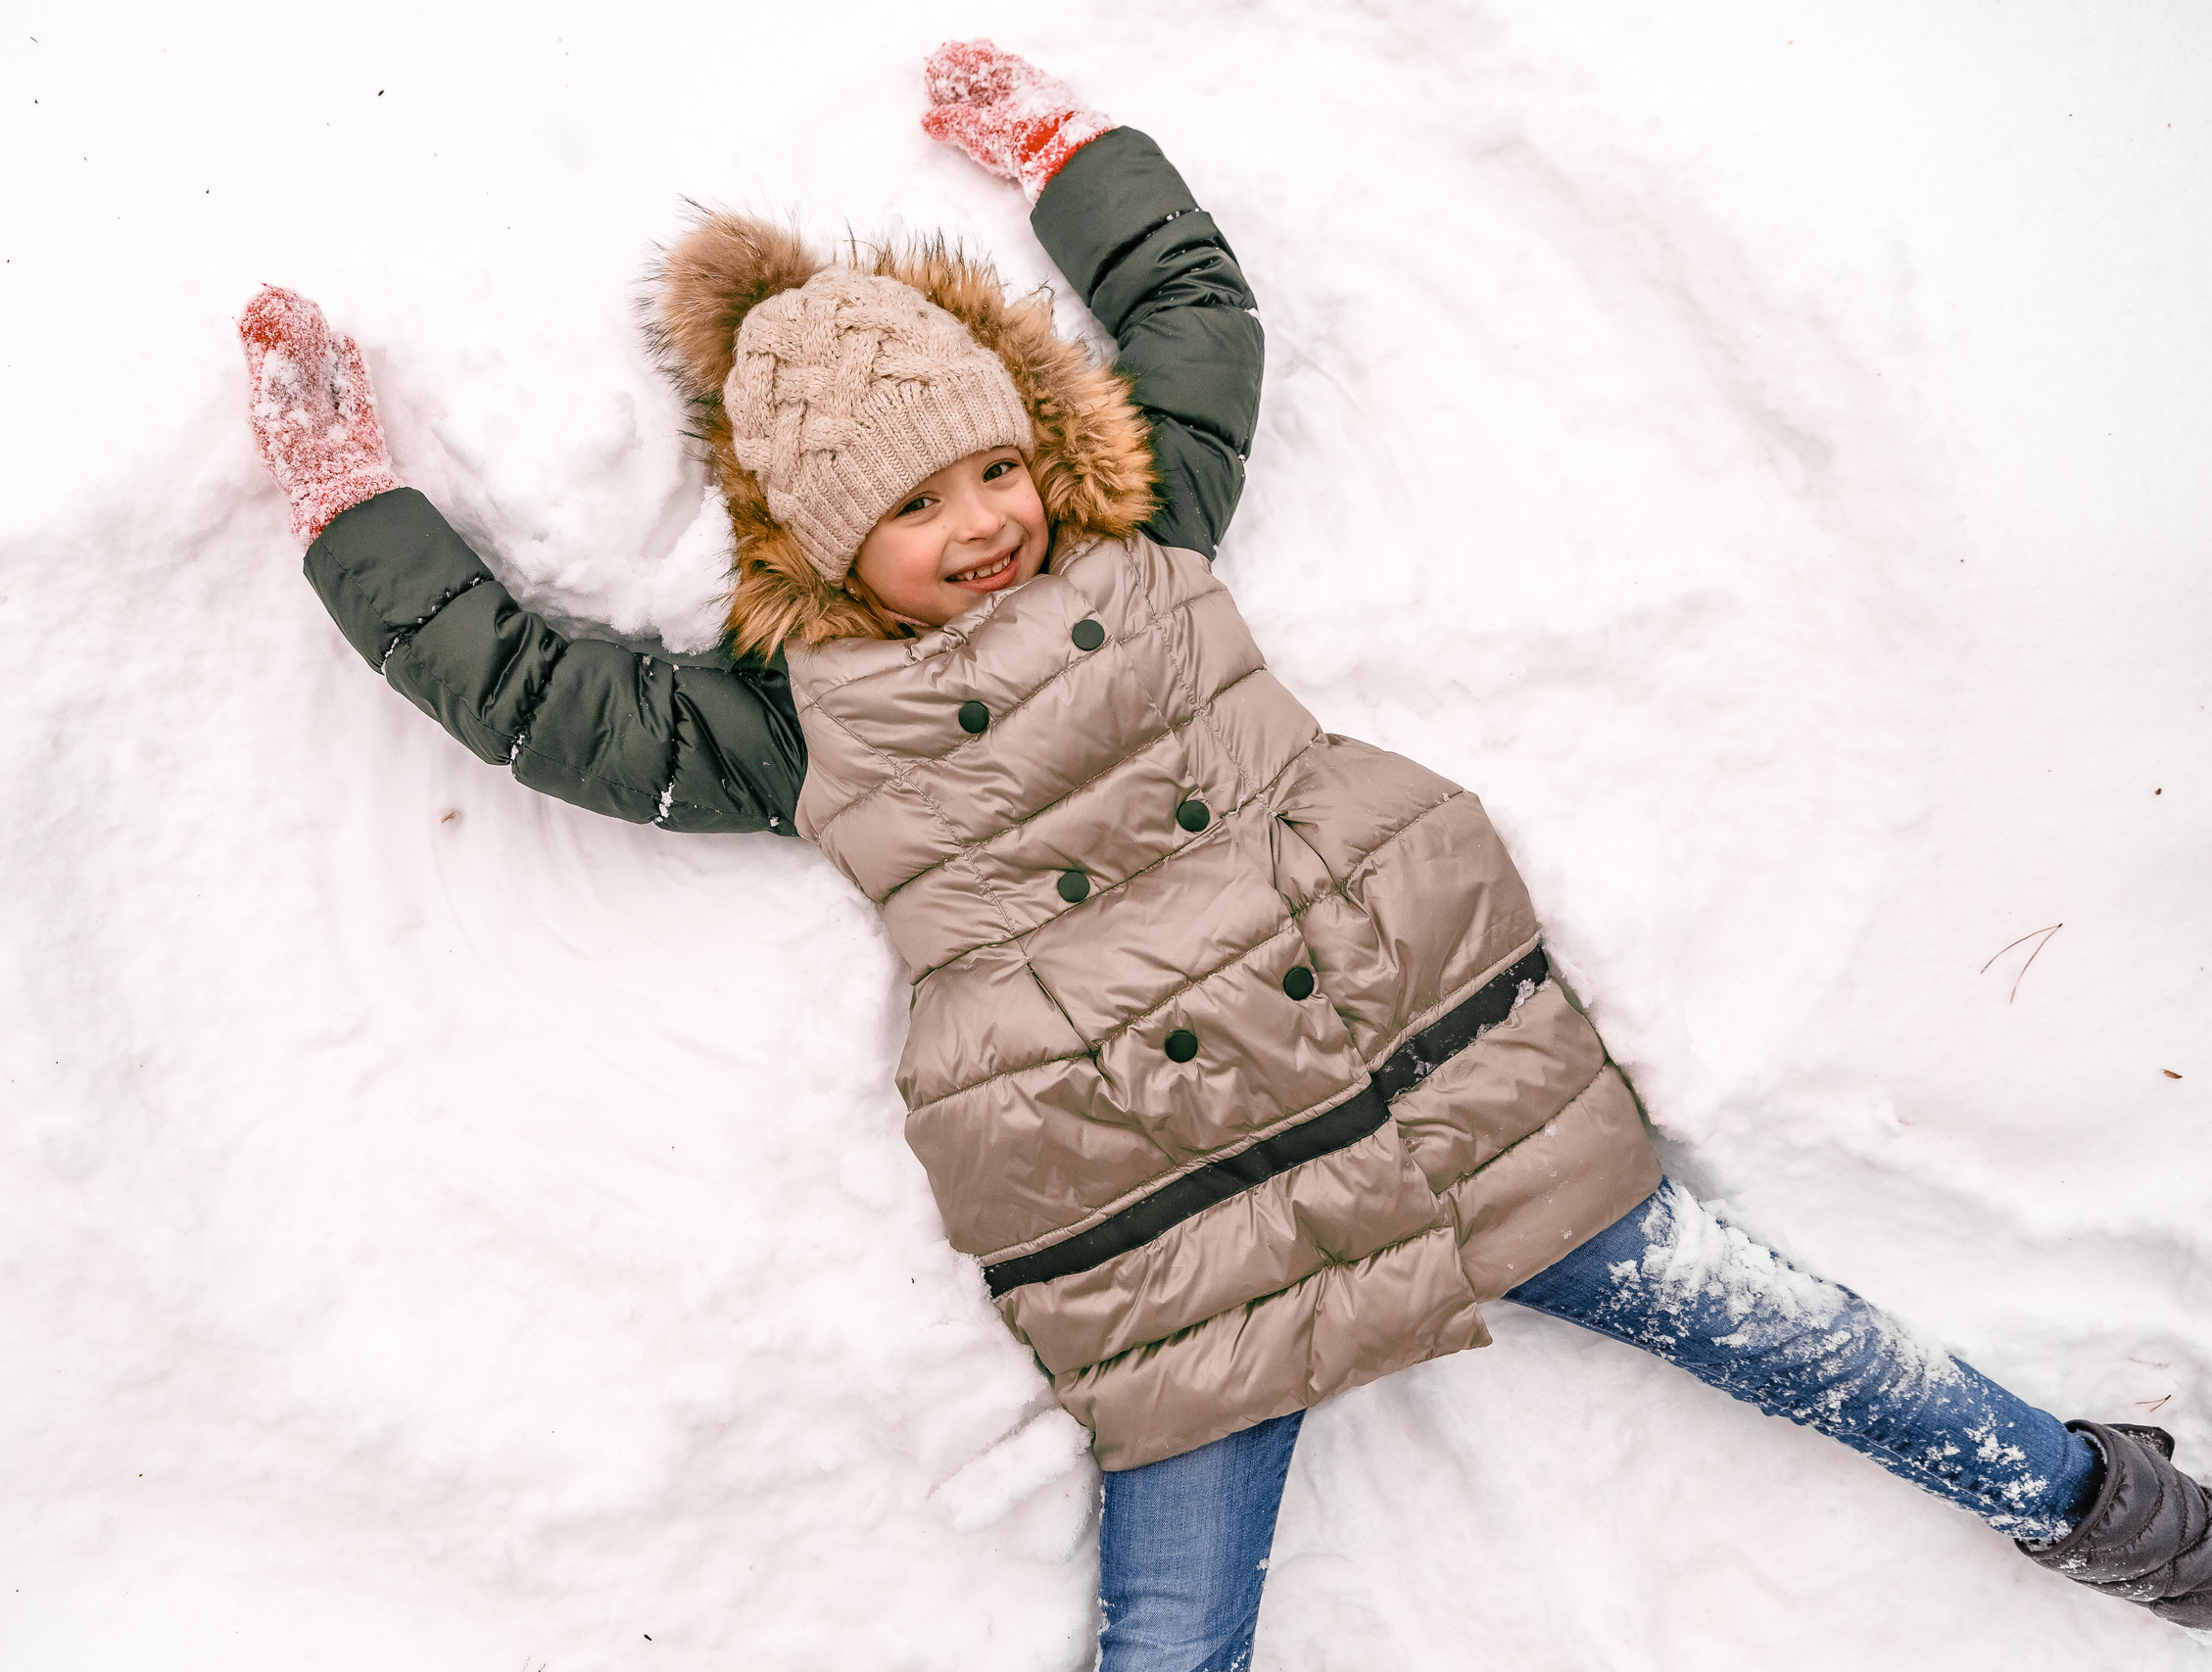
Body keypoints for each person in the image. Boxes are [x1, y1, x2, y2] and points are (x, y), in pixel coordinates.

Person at [234, 39, 2210, 1666]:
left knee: (1782, 1328)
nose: (985, 520)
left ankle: (2107, 1505)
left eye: (995, 462)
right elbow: (534, 698)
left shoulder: (1146, 535)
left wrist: (1065, 156)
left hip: (1429, 1075)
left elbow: (1192, 312)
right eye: (918, 507)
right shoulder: (793, 721)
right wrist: (352, 512)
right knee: (1172, 1629)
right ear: (825, 547)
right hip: (1157, 1203)